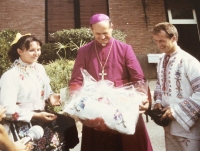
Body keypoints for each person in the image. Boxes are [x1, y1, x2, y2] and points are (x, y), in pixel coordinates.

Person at [69, 13, 153, 151]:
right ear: (91, 30)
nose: (102, 37)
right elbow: (77, 79)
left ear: (112, 27)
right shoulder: (84, 51)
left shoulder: (125, 49)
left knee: (128, 145)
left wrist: (144, 98)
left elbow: (138, 77)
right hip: (96, 107)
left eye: (105, 33)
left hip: (123, 106)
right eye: (98, 34)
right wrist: (75, 101)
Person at [0, 33, 78, 151]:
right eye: (32, 50)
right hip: (22, 126)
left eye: (38, 49)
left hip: (43, 119)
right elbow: (7, 109)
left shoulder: (39, 69)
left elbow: (46, 91)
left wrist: (51, 97)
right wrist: (35, 115)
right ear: (20, 51)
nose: (36, 53)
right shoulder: (10, 76)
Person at [152, 22, 200, 151]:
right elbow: (160, 83)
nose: (159, 45)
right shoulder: (161, 59)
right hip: (168, 126)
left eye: (162, 40)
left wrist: (175, 111)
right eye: (156, 41)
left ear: (174, 38)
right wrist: (158, 101)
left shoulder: (190, 62)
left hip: (187, 127)